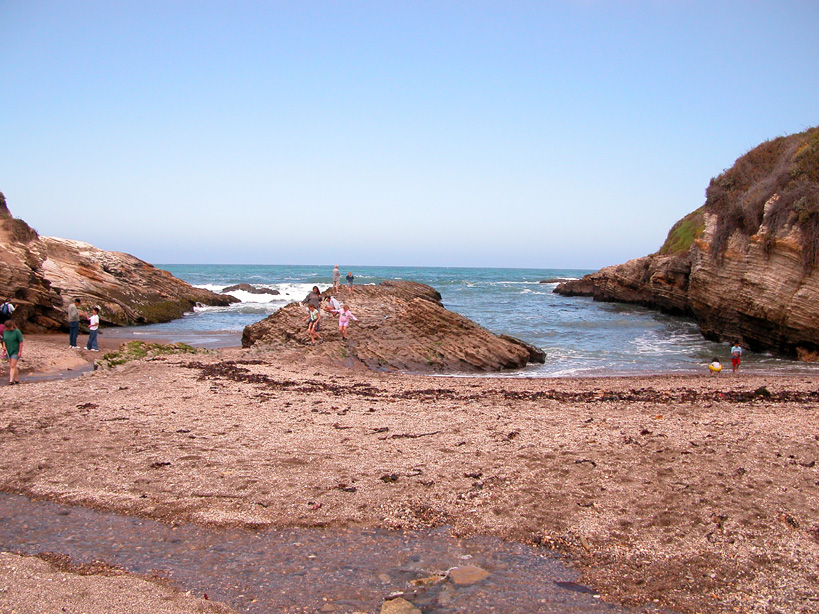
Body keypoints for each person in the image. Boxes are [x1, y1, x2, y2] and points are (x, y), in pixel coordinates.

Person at [2, 320, 23, 385]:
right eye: (7, 328)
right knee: (13, 365)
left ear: (12, 326)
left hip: (15, 350)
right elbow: (4, 340)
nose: (9, 329)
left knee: (12, 365)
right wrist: (4, 346)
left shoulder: (17, 331)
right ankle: (16, 380)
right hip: (8, 351)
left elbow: (21, 342)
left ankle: (11, 380)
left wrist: (20, 351)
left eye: (10, 327)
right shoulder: (5, 332)